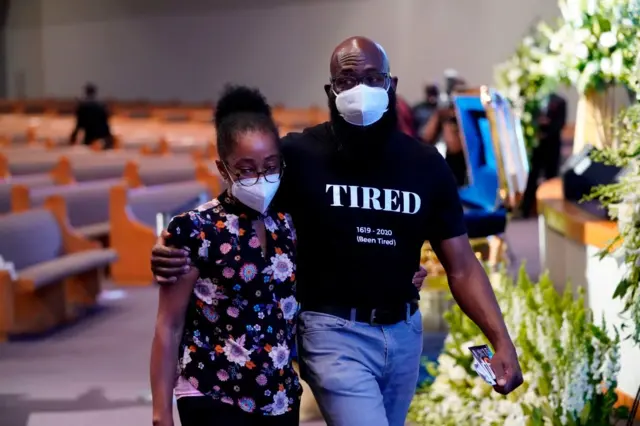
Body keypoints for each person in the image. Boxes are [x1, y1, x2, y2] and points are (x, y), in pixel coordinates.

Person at [151, 37, 522, 426]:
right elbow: (233, 212)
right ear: (331, 90)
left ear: (391, 85)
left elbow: (462, 266)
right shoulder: (298, 155)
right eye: (347, 80)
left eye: (372, 78)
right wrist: (167, 247)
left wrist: (501, 339)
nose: (360, 90)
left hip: (403, 332)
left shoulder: (425, 165)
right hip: (332, 330)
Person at [150, 86, 303, 426]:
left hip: (278, 395)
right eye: (246, 169)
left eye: (270, 166)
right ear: (223, 169)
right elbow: (169, 324)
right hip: (212, 391)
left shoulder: (288, 224)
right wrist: (161, 412)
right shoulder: (195, 229)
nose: (260, 179)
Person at [520, 92, 567, 217]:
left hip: (552, 145)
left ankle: (550, 211)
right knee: (532, 178)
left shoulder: (560, 101)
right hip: (537, 146)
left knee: (551, 178)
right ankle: (526, 209)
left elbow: (560, 123)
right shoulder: (534, 100)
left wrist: (547, 129)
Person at [421, 80, 469, 187]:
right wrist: (439, 116)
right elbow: (425, 139)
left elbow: (455, 147)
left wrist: (448, 121)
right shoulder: (442, 115)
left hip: (460, 175)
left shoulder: (465, 117)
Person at [69, 83, 113, 149]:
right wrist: (110, 138)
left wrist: (73, 137)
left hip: (89, 137)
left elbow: (79, 125)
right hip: (102, 137)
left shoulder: (82, 106)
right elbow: (106, 123)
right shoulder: (101, 106)